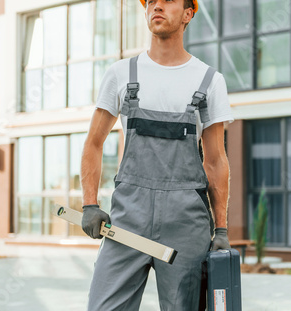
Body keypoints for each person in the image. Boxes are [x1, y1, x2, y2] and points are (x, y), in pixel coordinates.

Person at [80, 0, 233, 309]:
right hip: (128, 221)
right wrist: (89, 204)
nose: (157, 6)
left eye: (168, 0)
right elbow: (94, 143)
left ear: (189, 14)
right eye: (151, 1)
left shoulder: (209, 81)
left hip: (185, 225)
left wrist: (221, 229)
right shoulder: (121, 73)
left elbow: (215, 161)